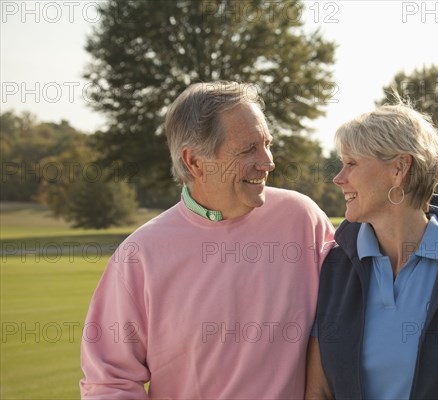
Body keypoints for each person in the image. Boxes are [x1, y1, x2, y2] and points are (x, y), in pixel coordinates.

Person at [80, 81, 335, 398]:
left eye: (267, 144)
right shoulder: (139, 254)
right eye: (248, 149)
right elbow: (110, 383)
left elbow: (350, 309)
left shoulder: (302, 219)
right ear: (194, 162)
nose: (268, 161)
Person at [306, 97, 438, 400]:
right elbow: (318, 391)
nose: (338, 178)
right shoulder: (333, 267)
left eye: (351, 163)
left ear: (399, 168)